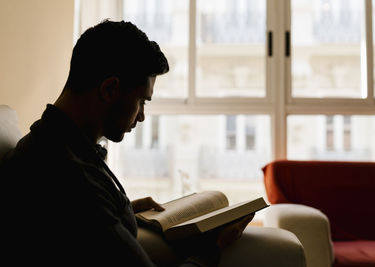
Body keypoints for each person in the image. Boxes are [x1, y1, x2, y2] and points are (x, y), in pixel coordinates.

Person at [0, 20, 254, 266]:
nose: (142, 116)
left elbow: (75, 225)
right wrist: (212, 247)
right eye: (142, 101)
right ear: (110, 89)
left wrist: (123, 210)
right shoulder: (72, 178)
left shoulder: (47, 141)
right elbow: (81, 206)